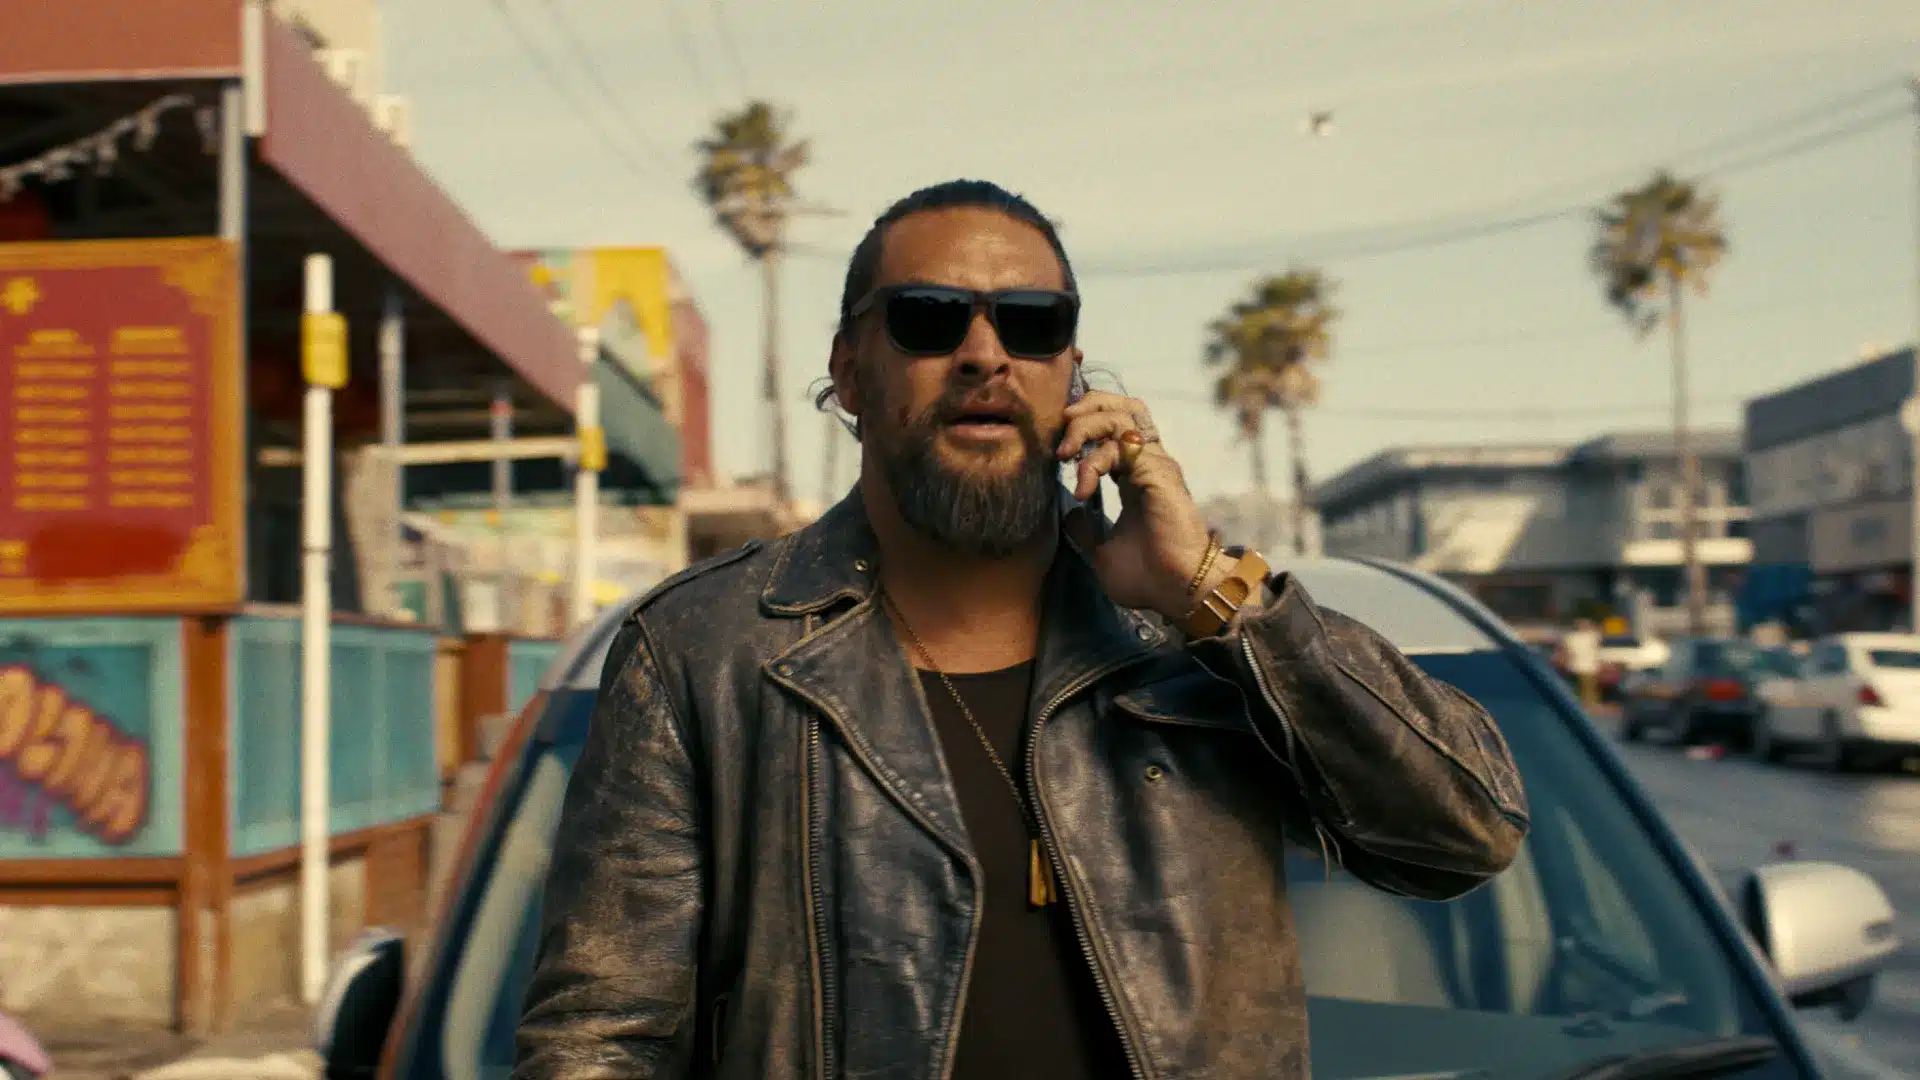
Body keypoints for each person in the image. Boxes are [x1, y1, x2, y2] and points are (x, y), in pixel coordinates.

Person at [514, 179, 1528, 1080]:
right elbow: (602, 1038)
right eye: (928, 318)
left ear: (1072, 374)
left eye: (1032, 324)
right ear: (851, 371)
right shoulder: (706, 651)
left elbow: (1463, 835)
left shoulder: (1196, 640)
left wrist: (1213, 594)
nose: (985, 354)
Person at [1563, 618, 1603, 709]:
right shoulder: (1591, 636)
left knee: (1584, 688)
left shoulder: (1572, 637)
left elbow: (1567, 651)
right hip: (1585, 667)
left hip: (1580, 666)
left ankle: (1585, 705)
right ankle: (1588, 705)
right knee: (1586, 689)